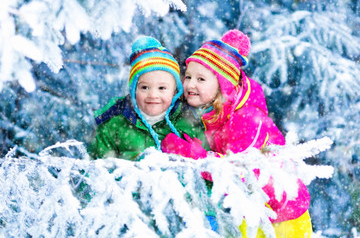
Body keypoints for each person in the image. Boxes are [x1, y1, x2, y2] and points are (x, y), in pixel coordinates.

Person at [161, 30, 312, 237]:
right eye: (188, 76)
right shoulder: (217, 114)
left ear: (223, 85)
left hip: (283, 219)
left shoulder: (247, 118)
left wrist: (191, 154)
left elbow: (236, 172)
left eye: (201, 79)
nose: (190, 84)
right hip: (251, 211)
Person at [89, 36, 208, 160]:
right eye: (145, 87)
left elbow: (208, 168)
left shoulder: (187, 123)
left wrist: (191, 155)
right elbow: (95, 170)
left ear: (174, 92)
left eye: (162, 88)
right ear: (134, 90)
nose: (153, 95)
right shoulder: (114, 126)